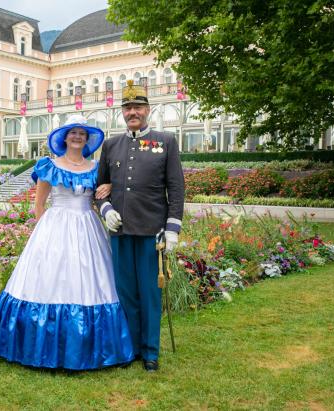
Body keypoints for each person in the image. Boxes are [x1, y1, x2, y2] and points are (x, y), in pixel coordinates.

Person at [0, 114, 134, 370]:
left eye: (81, 133)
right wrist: (43, 237)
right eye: (72, 132)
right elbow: (39, 204)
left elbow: (101, 197)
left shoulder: (96, 169)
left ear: (87, 139)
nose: (77, 136)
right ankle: (38, 346)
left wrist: (107, 189)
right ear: (64, 137)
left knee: (90, 281)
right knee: (51, 280)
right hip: (54, 228)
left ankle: (90, 348)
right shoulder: (49, 166)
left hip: (87, 226)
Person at [95, 80, 185, 372]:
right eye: (128, 107)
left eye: (138, 107)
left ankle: (150, 352)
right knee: (126, 293)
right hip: (120, 231)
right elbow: (99, 188)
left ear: (148, 110)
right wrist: (106, 209)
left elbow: (176, 187)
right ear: (122, 112)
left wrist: (172, 228)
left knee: (149, 293)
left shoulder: (165, 141)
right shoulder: (111, 145)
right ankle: (131, 348)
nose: (133, 112)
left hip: (152, 232)